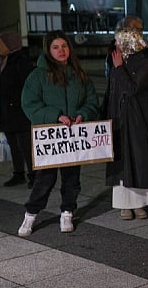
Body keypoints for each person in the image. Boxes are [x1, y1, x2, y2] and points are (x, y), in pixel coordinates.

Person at [17, 31, 100, 237]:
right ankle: (31, 214)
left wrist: (82, 114)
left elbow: (91, 101)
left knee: (72, 178)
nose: (61, 51)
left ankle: (67, 212)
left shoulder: (79, 73)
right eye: (56, 47)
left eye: (64, 46)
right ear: (48, 50)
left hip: (72, 138)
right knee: (44, 179)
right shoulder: (37, 76)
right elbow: (30, 105)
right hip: (51, 138)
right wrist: (56, 116)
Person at [105, 26, 148, 220]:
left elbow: (132, 88)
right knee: (122, 160)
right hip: (120, 117)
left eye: (120, 40)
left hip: (137, 118)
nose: (117, 44)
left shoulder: (144, 62)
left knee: (138, 158)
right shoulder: (119, 60)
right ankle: (124, 204)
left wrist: (119, 68)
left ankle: (139, 204)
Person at [0, 32, 35, 188]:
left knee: (25, 146)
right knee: (13, 144)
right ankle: (18, 173)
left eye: (1, 43)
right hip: (8, 113)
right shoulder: (3, 61)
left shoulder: (21, 62)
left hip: (20, 113)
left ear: (10, 44)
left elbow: (29, 87)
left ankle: (33, 175)